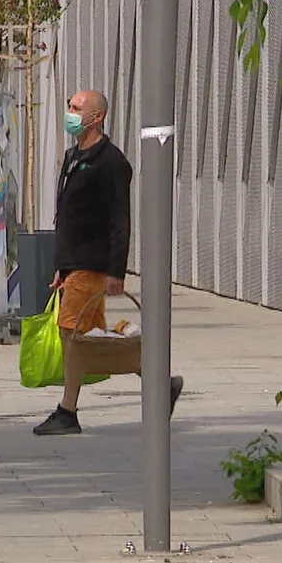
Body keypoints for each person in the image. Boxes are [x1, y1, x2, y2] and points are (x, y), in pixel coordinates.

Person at [34, 90, 183, 436]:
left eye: (76, 108)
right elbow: (66, 215)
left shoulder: (111, 161)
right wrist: (61, 265)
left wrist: (117, 270)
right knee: (89, 339)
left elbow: (120, 219)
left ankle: (67, 411)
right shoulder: (73, 156)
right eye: (69, 106)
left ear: (96, 117)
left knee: (71, 334)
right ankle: (162, 382)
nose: (69, 112)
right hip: (74, 263)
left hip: (93, 261)